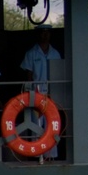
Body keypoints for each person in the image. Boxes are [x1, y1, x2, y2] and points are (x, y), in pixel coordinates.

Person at [20, 23, 62, 158]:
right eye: (42, 32)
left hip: (51, 92)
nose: (45, 35)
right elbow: (29, 75)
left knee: (52, 124)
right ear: (38, 35)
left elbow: (58, 74)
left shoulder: (55, 53)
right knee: (36, 124)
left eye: (47, 32)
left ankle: (51, 154)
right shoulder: (31, 53)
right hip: (36, 92)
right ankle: (36, 154)